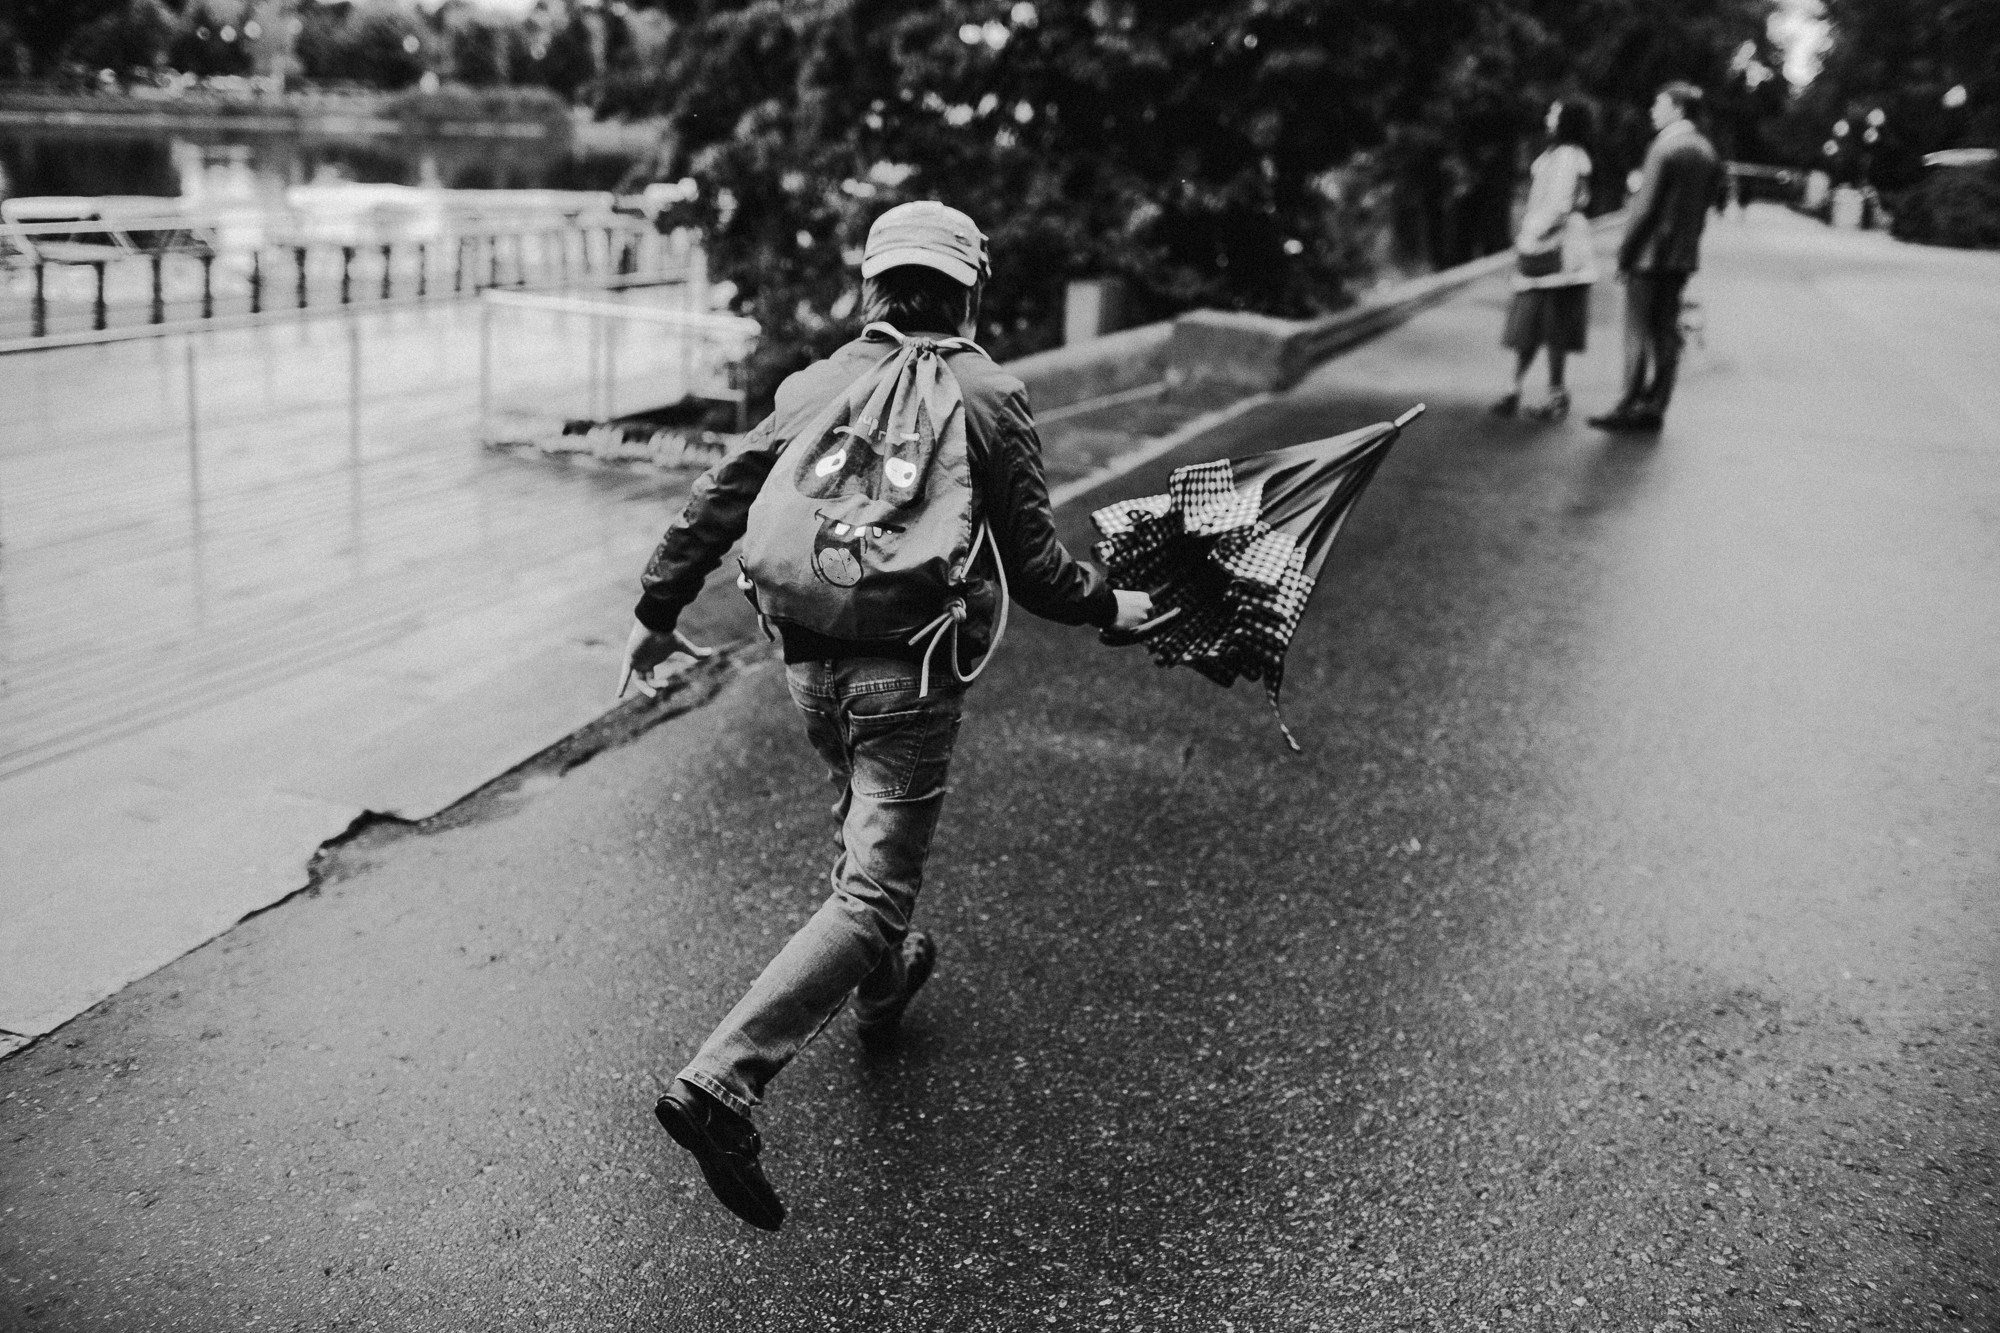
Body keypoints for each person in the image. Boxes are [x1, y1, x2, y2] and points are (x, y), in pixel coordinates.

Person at [619, 200, 1154, 1232]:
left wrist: (653, 613)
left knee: (866, 826)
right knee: (871, 889)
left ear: (869, 288)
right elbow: (1037, 568)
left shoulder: (815, 383)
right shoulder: (988, 391)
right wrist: (1109, 603)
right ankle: (721, 1080)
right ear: (969, 291)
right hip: (907, 676)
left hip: (808, 666)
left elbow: (716, 499)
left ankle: (884, 983)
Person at [1588, 81, 1723, 433]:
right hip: (1681, 259)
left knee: (1635, 331)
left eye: (1658, 104)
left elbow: (1644, 209)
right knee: (1665, 332)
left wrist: (1625, 254)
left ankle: (1628, 402)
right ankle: (1655, 405)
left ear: (1677, 109)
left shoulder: (1664, 148)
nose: (1653, 110)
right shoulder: (1706, 151)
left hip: (1648, 258)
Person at [1494, 100, 1597, 423]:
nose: (1548, 117)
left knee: (1550, 324)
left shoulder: (1566, 157)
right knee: (1537, 321)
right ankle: (1520, 389)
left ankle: (1547, 393)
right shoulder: (1560, 154)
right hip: (1552, 246)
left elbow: (1560, 205)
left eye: (1554, 113)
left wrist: (1529, 237)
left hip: (1557, 249)